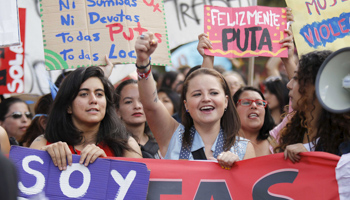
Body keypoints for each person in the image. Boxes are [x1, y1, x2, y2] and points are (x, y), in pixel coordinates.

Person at [135, 33, 255, 169]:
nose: (206, 99)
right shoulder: (172, 137)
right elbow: (151, 105)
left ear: (226, 101)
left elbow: (249, 188)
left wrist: (238, 168)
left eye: (214, 93)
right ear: (186, 104)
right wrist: (143, 62)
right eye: (197, 94)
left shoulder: (244, 148)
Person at [30, 66, 142, 171]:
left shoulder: (126, 145)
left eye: (99, 94)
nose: (94, 100)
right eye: (84, 94)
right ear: (68, 106)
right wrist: (44, 158)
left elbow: (136, 189)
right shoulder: (43, 143)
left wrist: (105, 166)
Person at [275, 50, 350, 162]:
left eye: (296, 78)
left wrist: (313, 157)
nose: (289, 85)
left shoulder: (344, 143)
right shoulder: (293, 131)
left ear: (318, 85)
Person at [115, 79, 160, 158]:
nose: (137, 106)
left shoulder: (161, 144)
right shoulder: (113, 146)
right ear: (117, 111)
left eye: (142, 101)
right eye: (128, 102)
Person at [233, 87, 276, 156]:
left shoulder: (278, 143)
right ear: (233, 110)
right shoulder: (222, 145)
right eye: (246, 102)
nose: (254, 106)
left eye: (259, 103)